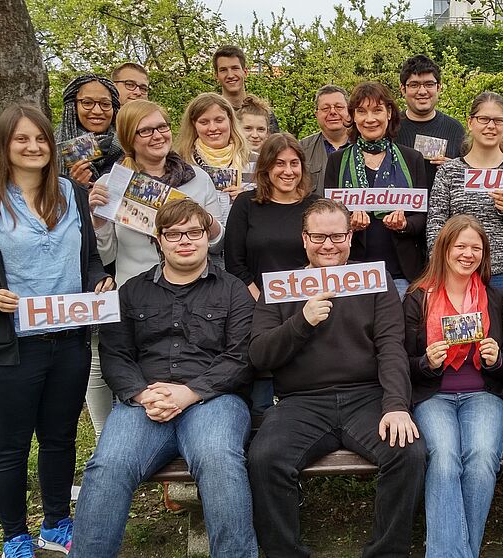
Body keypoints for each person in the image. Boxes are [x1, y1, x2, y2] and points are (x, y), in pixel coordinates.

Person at [0, 103, 113, 558]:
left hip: (68, 341)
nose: (33, 147)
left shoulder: (71, 193)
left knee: (60, 439)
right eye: (22, 139)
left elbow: (89, 257)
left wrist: (98, 281)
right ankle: (14, 535)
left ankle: (56, 523)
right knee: (10, 447)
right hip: (7, 348)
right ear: (4, 145)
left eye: (41, 138)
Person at [71, 199, 257, 557]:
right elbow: (115, 354)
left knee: (219, 459)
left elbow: (241, 356)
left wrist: (190, 392)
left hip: (214, 400)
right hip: (146, 402)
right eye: (173, 234)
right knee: (108, 465)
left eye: (193, 232)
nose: (184, 240)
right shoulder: (132, 291)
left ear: (207, 237)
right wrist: (141, 395)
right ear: (159, 240)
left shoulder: (233, 291)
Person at [246, 198, 426, 558]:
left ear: (349, 236)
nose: (328, 244)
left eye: (337, 236)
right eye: (318, 236)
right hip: (302, 401)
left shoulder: (375, 279)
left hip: (366, 397)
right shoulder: (282, 286)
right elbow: (259, 354)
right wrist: (302, 321)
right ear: (303, 239)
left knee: (408, 452)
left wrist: (395, 405)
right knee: (264, 458)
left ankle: (385, 552)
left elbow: (391, 347)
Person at [85, 100, 225, 435]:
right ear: (129, 138)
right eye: (145, 130)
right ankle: (109, 435)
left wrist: (204, 222)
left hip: (192, 291)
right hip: (134, 292)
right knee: (108, 362)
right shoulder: (113, 182)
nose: (156, 135)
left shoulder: (197, 179)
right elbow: (106, 252)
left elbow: (217, 242)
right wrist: (97, 219)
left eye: (161, 127)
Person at [403, 214, 503, 558]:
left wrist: (496, 360)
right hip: (433, 396)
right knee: (446, 458)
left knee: (481, 458)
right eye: (460, 246)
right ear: (444, 249)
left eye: (476, 248)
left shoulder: (496, 299)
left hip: (484, 395)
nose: (468, 254)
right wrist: (426, 363)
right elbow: (400, 364)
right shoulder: (417, 298)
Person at [225, 132, 319, 414]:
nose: (288, 171)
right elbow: (234, 262)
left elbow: (328, 257)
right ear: (265, 167)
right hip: (257, 303)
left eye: (294, 163)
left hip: (307, 303)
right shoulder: (246, 204)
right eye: (279, 163)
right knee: (261, 391)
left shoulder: (314, 204)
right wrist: (263, 300)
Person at [323, 81, 428, 296]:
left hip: (401, 275)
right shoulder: (337, 161)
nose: (370, 119)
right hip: (351, 273)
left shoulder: (412, 159)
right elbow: (328, 219)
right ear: (352, 117)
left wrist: (404, 224)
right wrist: (349, 225)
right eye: (361, 112)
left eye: (377, 110)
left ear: (389, 113)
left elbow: (424, 215)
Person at [427, 91, 503, 292]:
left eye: (498, 120)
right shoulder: (449, 171)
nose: (490, 126)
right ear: (470, 122)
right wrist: (441, 268)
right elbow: (436, 226)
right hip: (461, 272)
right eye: (483, 119)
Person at [395, 54, 466, 185]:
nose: (422, 91)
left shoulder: (455, 129)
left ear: (439, 88)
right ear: (403, 89)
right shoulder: (390, 128)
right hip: (399, 204)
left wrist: (455, 168)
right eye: (414, 85)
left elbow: (469, 176)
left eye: (429, 84)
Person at [178, 92, 254, 205]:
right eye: (204, 122)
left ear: (230, 120)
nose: (212, 128)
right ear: (194, 124)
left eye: (219, 120)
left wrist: (247, 199)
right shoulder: (181, 163)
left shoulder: (256, 161)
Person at [57, 74, 123, 184]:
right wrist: (74, 188)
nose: (97, 111)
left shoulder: (131, 143)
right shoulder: (51, 147)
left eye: (105, 104)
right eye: (87, 103)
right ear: (73, 107)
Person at [212, 45, 281, 132]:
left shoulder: (264, 113)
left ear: (245, 72)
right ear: (216, 76)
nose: (230, 75)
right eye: (223, 70)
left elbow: (274, 145)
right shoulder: (212, 115)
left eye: (235, 68)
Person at [300, 84, 352, 193]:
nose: (332, 112)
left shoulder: (366, 147)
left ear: (349, 111)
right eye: (325, 108)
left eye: (339, 107)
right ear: (316, 114)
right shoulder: (301, 150)